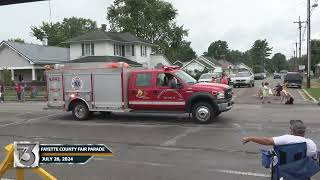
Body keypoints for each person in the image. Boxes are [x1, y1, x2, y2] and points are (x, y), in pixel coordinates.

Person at [242, 120, 317, 158]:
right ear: (304, 131)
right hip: (302, 171)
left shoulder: (287, 139)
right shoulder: (311, 143)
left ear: (291, 130)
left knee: (269, 154)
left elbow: (266, 141)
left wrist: (250, 138)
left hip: (284, 169)